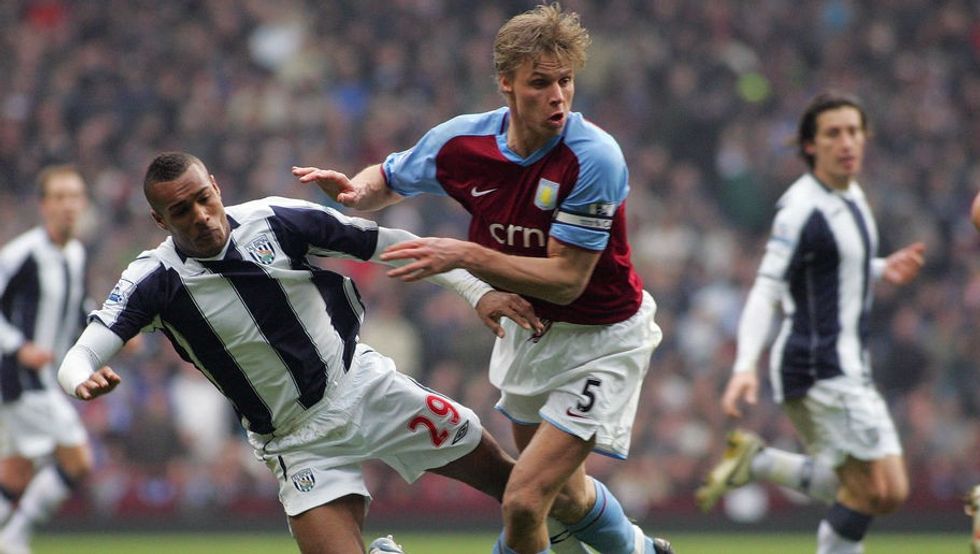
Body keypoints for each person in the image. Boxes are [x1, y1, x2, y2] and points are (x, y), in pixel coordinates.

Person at [293, 4, 672, 554]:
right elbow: (392, 178)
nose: (558, 96)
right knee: (564, 496)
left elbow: (567, 279)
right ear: (507, 84)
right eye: (540, 83)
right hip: (531, 334)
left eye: (565, 81)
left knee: (522, 499)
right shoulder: (461, 143)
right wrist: (355, 191)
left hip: (603, 339)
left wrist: (464, 255)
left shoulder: (594, 159)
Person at [56, 151, 544, 554]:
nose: (201, 217)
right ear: (159, 219)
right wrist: (79, 377)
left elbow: (387, 244)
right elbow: (81, 353)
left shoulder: (274, 219)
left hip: (364, 386)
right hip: (296, 441)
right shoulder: (153, 281)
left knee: (519, 488)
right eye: (181, 211)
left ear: (217, 188)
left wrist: (475, 291)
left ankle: (612, 542)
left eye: (204, 199)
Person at [695, 92, 926, 554]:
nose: (846, 142)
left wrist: (881, 269)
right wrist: (744, 366)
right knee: (875, 490)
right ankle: (763, 466)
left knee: (884, 492)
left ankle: (760, 462)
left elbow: (832, 265)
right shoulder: (801, 208)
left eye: (853, 132)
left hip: (844, 366)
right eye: (833, 133)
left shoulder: (851, 194)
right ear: (809, 146)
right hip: (818, 366)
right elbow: (766, 288)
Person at [0, 165, 94, 554]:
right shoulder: (22, 253)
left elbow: (75, 311)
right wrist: (19, 346)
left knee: (16, 473)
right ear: (43, 205)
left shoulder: (75, 253)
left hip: (43, 379)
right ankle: (13, 538)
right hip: (20, 378)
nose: (68, 205)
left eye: (74, 196)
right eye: (59, 197)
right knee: (78, 461)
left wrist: (101, 337)